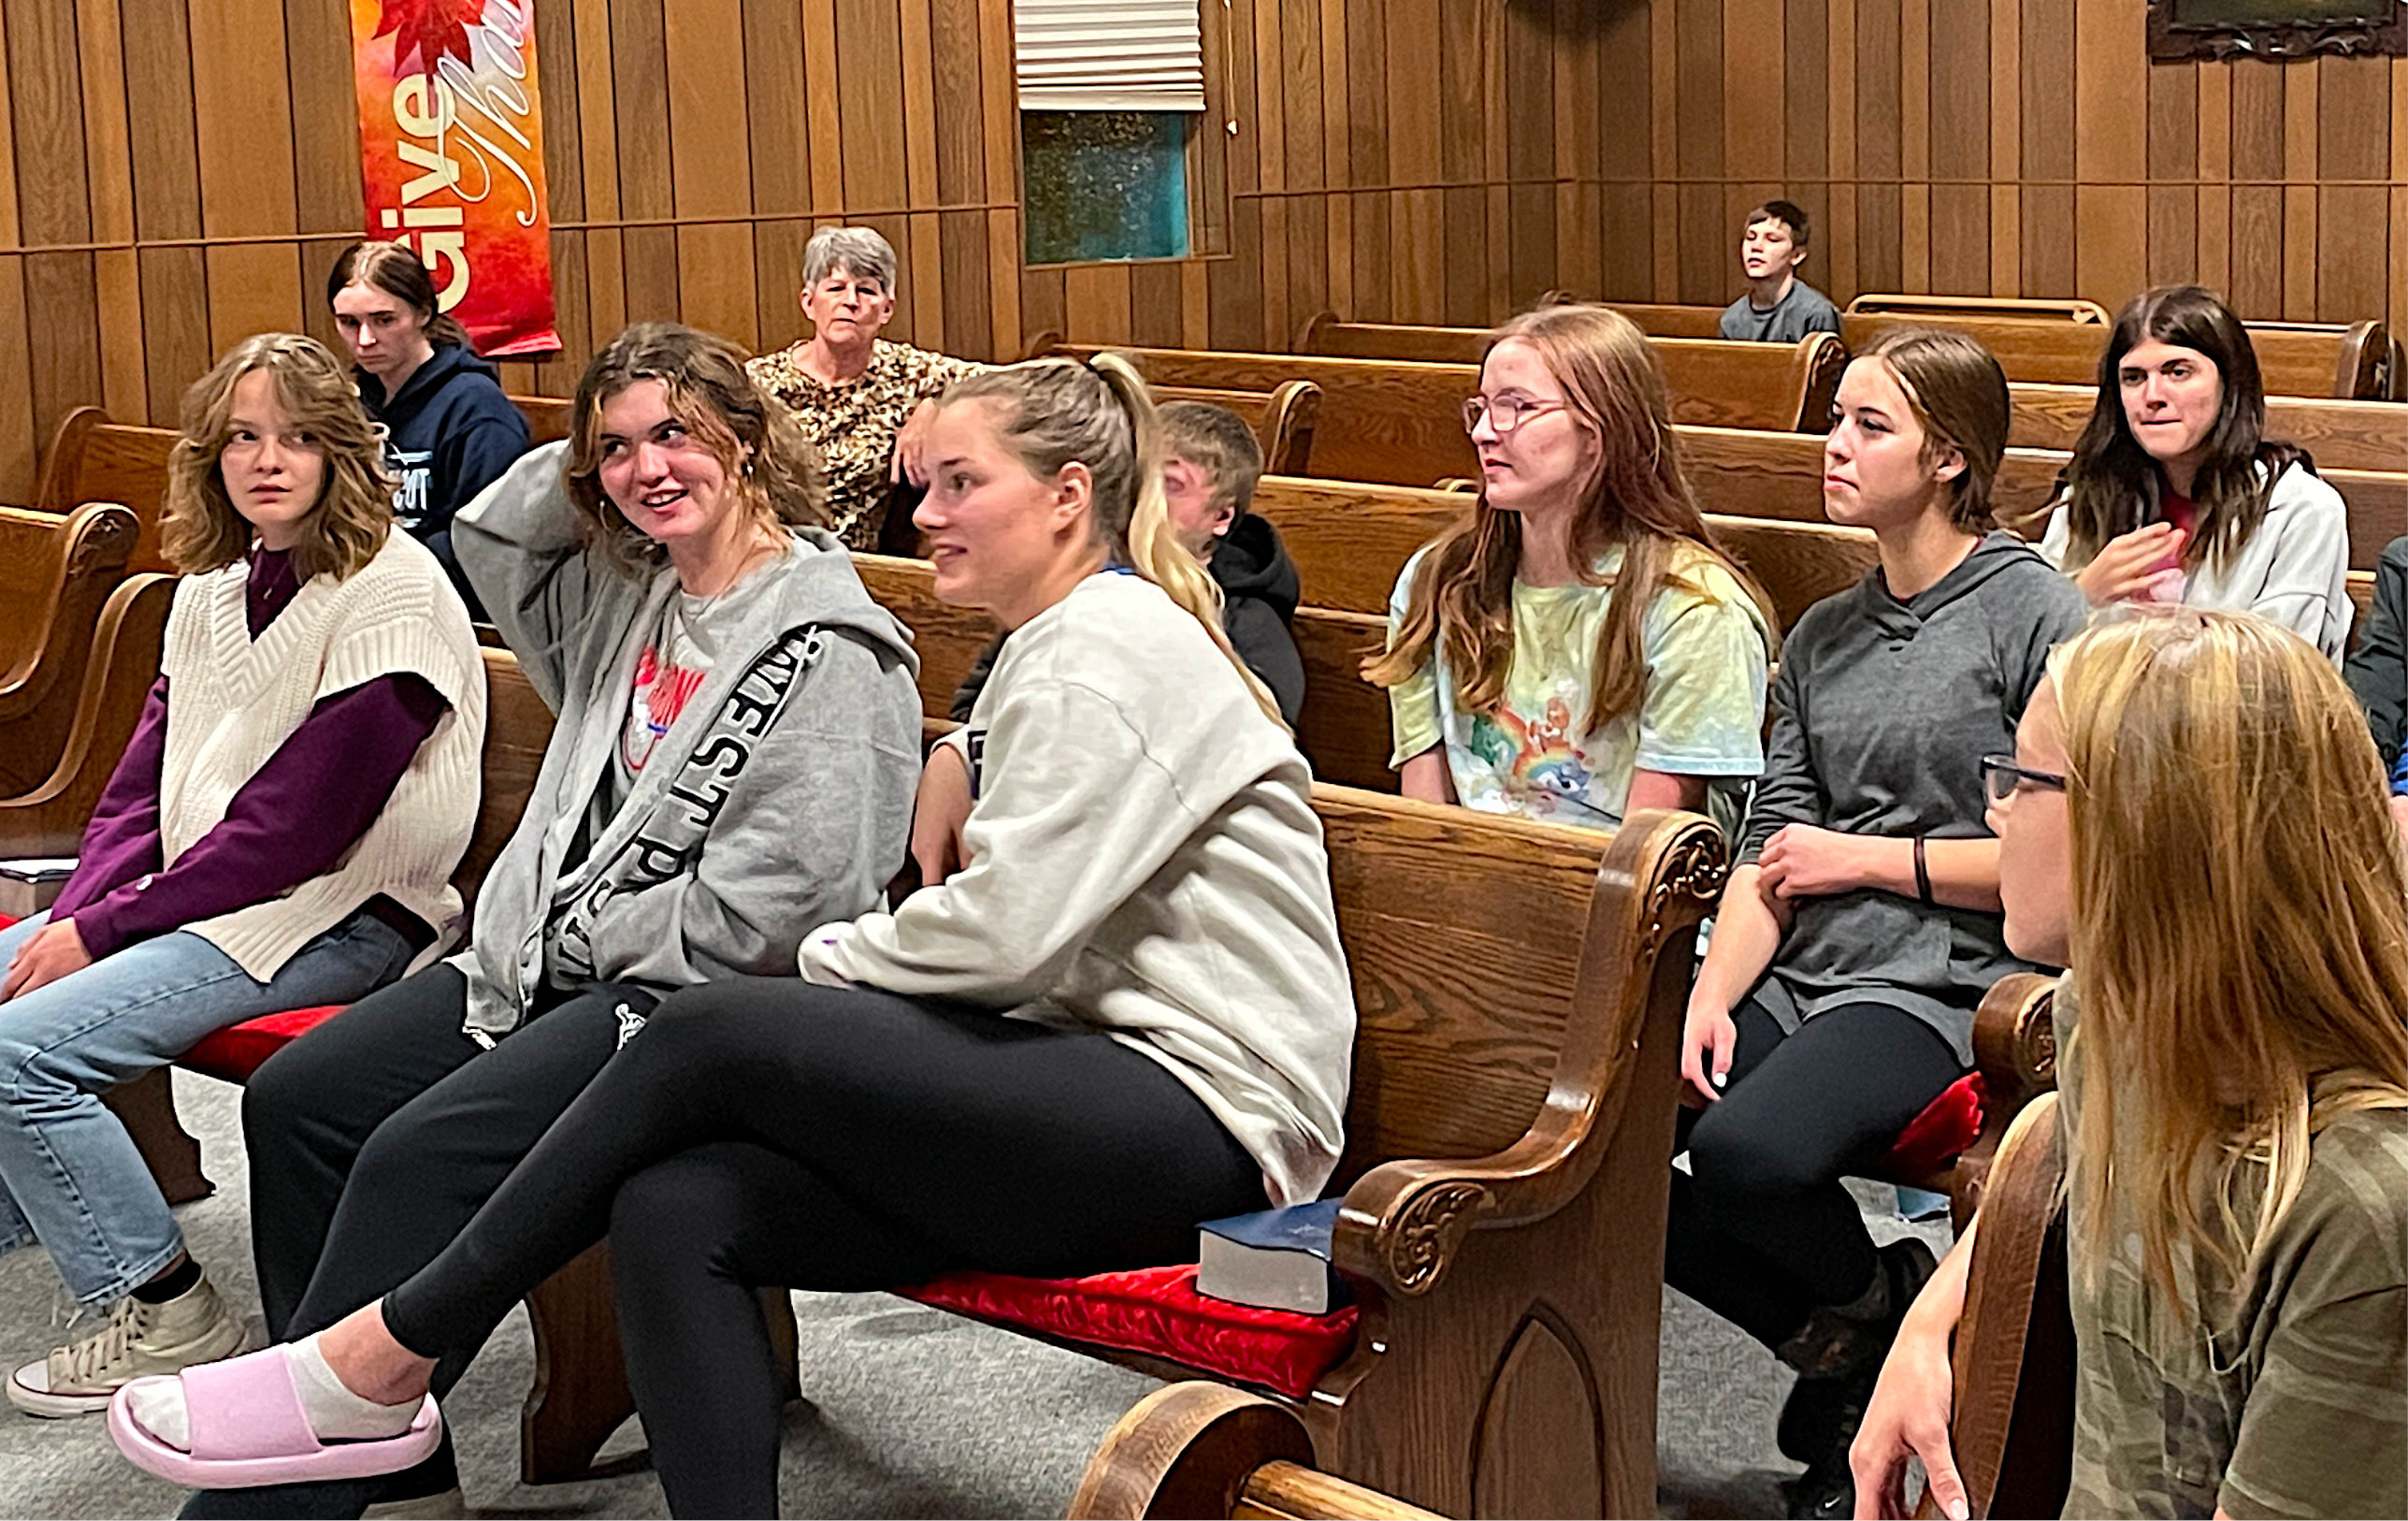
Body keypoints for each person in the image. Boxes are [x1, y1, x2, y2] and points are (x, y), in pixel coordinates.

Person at [112, 354, 1357, 1521]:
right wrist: (959, 753)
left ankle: (385, 1356)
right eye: (927, 484)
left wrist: (827, 965)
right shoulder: (1061, 644)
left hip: (1203, 1112)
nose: (922, 515)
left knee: (710, 1026)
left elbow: (1005, 938)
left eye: (959, 483)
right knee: (679, 1203)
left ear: (1068, 496)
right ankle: (389, 1385)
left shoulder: (1105, 651)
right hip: (1078, 1075)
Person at [166, 322, 923, 1518]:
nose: (647, 469)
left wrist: (582, 938)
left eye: (676, 434)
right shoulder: (632, 593)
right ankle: (395, 1475)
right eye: (615, 448)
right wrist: (590, 451)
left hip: (692, 1005)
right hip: (543, 959)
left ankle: (281, 1494)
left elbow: (781, 917)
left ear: (748, 438)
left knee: (418, 1156)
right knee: (300, 1102)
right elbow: (496, 530)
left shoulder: (829, 648)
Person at [1, 334, 485, 1416]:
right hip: (215, 904)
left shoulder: (391, 594)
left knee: (14, 1056)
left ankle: (166, 1308)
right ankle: (28, 1217)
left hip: (337, 917)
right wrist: (77, 915)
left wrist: (104, 933)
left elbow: (291, 833)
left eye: (300, 438)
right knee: (11, 979)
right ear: (210, 456)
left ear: (342, 454)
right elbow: (140, 789)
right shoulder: (215, 587)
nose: (269, 461)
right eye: (244, 438)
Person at [1852, 609, 2408, 1521]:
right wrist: (1927, 1324)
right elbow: (2063, 1162)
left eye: (2023, 780)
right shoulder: (2110, 1012)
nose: (1993, 810)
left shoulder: (2358, 1214)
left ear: (2145, 828)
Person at [1668, 328, 2089, 1519]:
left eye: (1868, 425)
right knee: (1615, 1137)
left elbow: (2056, 860)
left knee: (1748, 1157)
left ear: (1949, 457)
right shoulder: (1822, 634)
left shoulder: (2035, 615)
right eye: (1834, 420)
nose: (1833, 446)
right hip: (1805, 961)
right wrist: (1709, 996)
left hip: (1944, 979)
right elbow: (1770, 852)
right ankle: (1847, 1334)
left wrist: (1865, 859)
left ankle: (1876, 1313)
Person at [1366, 302, 1773, 834]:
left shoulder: (1693, 608)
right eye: (1482, 407)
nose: (1484, 432)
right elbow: (1425, 827)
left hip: (1612, 877)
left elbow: (1645, 852)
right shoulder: (1438, 581)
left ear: (1598, 431)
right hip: (1464, 874)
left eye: (1516, 406)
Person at [2039, 284, 2353, 660]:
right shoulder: (2091, 495)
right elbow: (2029, 654)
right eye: (2134, 378)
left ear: (2229, 383)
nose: (2153, 396)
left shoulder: (2301, 508)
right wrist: (2080, 598)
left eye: (2178, 372)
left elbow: (2282, 669)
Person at [744, 225, 988, 551]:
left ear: (886, 309)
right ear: (809, 303)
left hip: (866, 567)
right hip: (775, 556)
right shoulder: (757, 382)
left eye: (866, 290)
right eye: (836, 288)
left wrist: (936, 406)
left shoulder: (907, 373)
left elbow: (1025, 378)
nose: (850, 301)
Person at [326, 240, 533, 615]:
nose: (365, 340)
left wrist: (386, 573)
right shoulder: (349, 404)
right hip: (365, 595)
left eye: (384, 320)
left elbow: (487, 540)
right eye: (349, 323)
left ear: (423, 313)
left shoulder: (478, 410)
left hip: (452, 606)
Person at [1718, 201, 1843, 344]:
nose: (1756, 246)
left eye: (1772, 239)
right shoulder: (1731, 319)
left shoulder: (1816, 313)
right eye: (1750, 237)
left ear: (1796, 255)